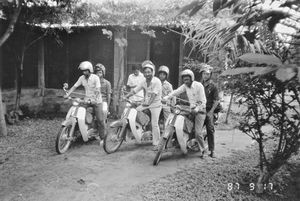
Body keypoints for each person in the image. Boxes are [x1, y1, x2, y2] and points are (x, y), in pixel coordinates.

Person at [163, 69, 207, 157]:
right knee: (179, 120)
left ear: (192, 78)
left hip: (200, 111)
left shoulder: (199, 86)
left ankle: (203, 151)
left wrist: (197, 108)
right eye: (184, 79)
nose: (185, 81)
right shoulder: (185, 86)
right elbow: (176, 91)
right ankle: (179, 141)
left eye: (187, 79)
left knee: (198, 133)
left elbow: (203, 100)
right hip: (191, 109)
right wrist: (166, 97)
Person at [125, 60, 162, 150]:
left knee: (155, 124)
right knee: (135, 112)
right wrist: (127, 95)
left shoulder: (157, 81)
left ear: (153, 72)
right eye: (145, 72)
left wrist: (148, 103)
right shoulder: (143, 81)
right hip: (146, 104)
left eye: (149, 72)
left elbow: (154, 95)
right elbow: (135, 90)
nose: (147, 74)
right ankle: (140, 131)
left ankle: (157, 143)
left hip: (156, 105)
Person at [64, 61, 105, 141]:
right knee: (78, 113)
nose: (84, 72)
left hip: (96, 101)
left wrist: (94, 99)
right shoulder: (81, 78)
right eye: (83, 71)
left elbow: (98, 90)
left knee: (100, 120)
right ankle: (76, 133)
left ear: (90, 70)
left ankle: (103, 138)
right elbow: (74, 87)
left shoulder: (95, 78)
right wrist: (68, 94)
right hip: (86, 100)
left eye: (86, 70)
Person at [199, 64, 220, 158]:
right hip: (199, 109)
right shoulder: (199, 85)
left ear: (210, 75)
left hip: (208, 110)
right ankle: (201, 149)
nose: (205, 75)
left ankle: (212, 150)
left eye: (207, 74)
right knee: (195, 129)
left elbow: (216, 100)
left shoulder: (213, 86)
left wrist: (211, 112)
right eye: (204, 73)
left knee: (210, 129)